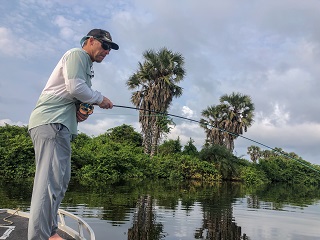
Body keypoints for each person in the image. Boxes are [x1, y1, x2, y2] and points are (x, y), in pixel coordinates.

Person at [27, 29, 119, 240]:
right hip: (52, 124)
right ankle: (39, 237)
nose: (107, 51)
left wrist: (81, 111)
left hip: (60, 126)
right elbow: (76, 87)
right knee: (49, 182)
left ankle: (49, 232)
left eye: (110, 49)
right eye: (105, 46)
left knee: (59, 182)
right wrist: (100, 98)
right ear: (91, 41)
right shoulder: (77, 55)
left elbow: (74, 94)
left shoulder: (86, 67)